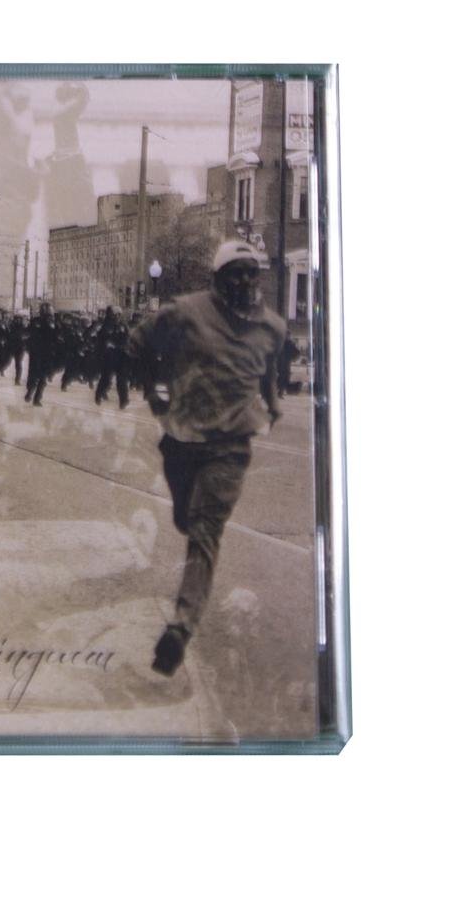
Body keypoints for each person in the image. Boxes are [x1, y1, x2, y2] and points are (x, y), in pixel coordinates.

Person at [127, 240, 286, 677]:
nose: (245, 280)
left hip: (230, 446)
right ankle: (185, 507)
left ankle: (181, 627)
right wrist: (157, 386)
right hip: (181, 438)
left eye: (251, 272)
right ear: (217, 279)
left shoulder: (272, 327)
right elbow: (137, 343)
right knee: (186, 516)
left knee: (205, 530)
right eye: (235, 272)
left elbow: (268, 367)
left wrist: (272, 403)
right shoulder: (185, 312)